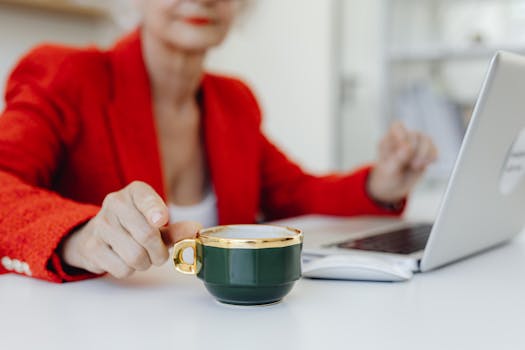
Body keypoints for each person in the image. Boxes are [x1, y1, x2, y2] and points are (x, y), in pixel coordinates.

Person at [0, 0, 437, 283]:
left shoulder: (234, 101)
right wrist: (80, 235)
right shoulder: (64, 75)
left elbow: (291, 192)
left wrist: (381, 184)